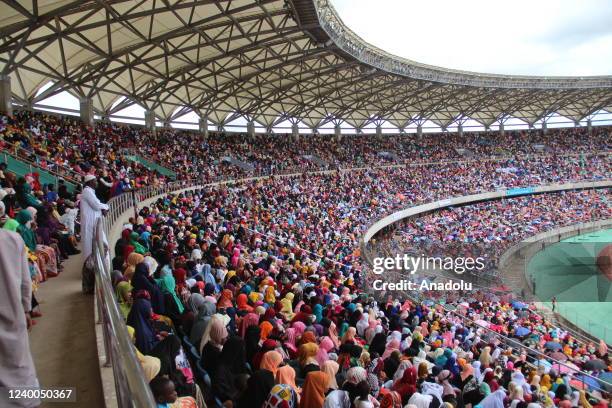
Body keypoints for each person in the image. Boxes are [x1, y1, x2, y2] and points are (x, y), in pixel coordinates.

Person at [0, 229, 39, 408]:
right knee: (18, 369)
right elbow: (26, 282)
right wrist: (26, 309)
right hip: (12, 318)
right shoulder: (12, 239)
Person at [80, 174, 109, 260]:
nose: (97, 183)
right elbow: (96, 205)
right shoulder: (87, 191)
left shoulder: (90, 191)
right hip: (89, 223)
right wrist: (106, 207)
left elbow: (97, 204)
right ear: (90, 182)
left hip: (94, 222)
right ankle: (90, 266)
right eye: (95, 181)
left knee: (102, 245)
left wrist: (103, 208)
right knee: (90, 246)